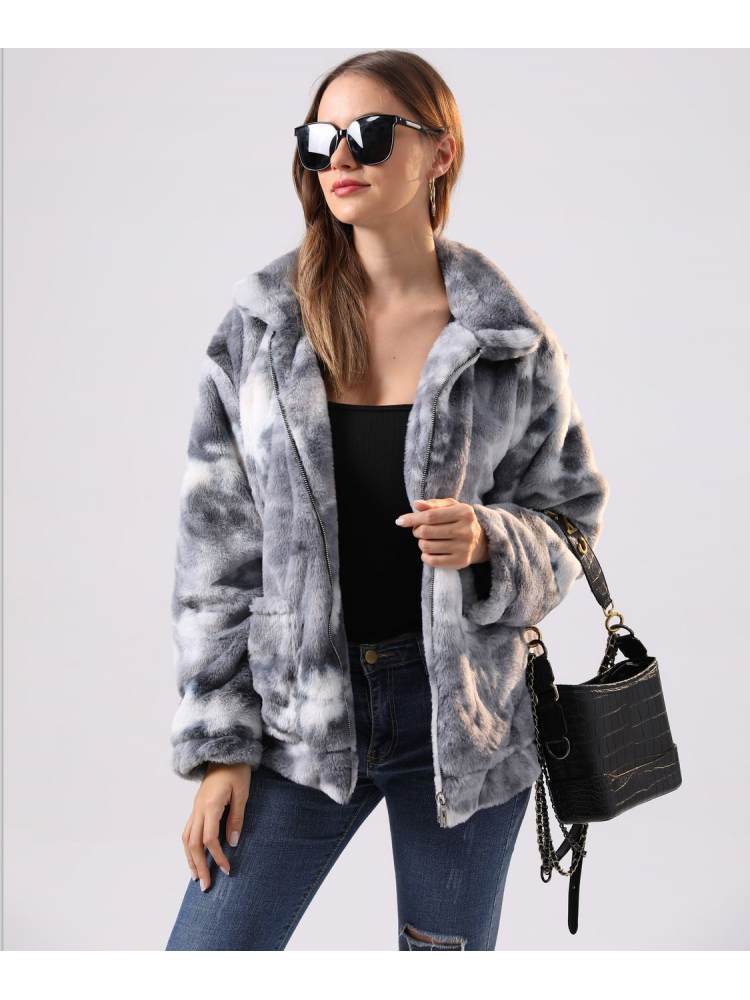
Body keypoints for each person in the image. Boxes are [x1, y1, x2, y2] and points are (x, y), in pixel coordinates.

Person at [165, 49, 609, 951]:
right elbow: (215, 556)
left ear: (439, 153)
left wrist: (491, 540)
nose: (339, 157)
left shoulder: (508, 342)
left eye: (368, 134)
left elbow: (572, 520)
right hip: (297, 718)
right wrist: (221, 748)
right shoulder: (262, 331)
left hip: (466, 723)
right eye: (320, 137)